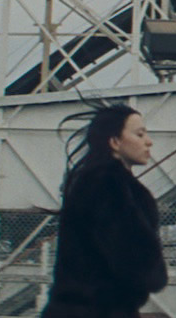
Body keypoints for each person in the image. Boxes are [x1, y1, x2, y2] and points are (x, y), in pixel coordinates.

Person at [44, 103, 168, 318]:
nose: (149, 141)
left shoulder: (93, 181)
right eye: (139, 134)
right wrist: (154, 274)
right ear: (115, 142)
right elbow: (134, 258)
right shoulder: (109, 185)